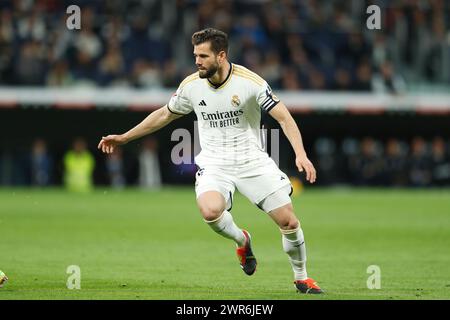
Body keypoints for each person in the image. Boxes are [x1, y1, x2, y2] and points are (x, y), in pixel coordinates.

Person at [98, 28, 322, 294]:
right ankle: (242, 239)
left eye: (203, 56)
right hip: (215, 163)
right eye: (195, 55)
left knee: (289, 222)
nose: (197, 61)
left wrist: (300, 153)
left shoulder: (251, 82)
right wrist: (124, 137)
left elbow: (284, 117)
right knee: (210, 211)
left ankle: (302, 277)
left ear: (221, 55)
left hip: (252, 161)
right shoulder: (191, 85)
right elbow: (163, 115)